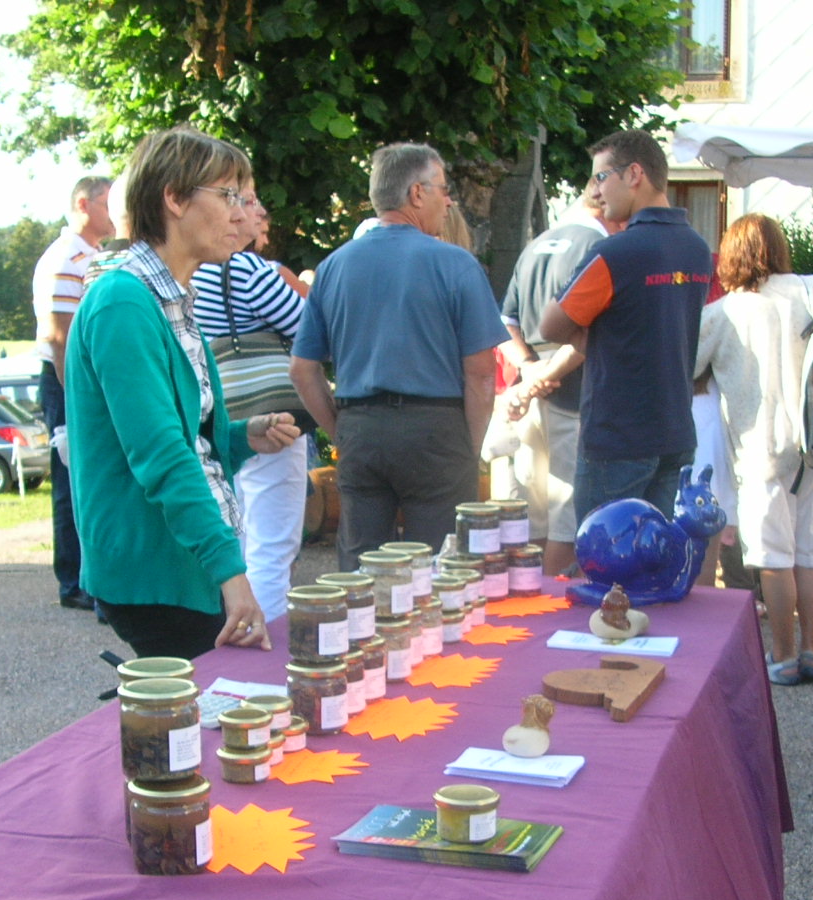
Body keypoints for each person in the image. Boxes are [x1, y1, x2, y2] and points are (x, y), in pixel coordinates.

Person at [65, 127, 300, 659]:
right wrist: (230, 572)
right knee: (198, 725)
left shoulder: (170, 294)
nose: (243, 214)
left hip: (182, 561)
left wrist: (241, 437)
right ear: (174, 198)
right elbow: (161, 455)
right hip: (155, 571)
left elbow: (185, 432)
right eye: (230, 196)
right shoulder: (123, 302)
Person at [289, 143, 507, 570]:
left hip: (360, 426)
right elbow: (481, 376)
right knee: (442, 570)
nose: (448, 201)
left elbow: (302, 369)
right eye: (443, 189)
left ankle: (356, 638)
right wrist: (470, 447)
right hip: (436, 430)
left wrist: (340, 430)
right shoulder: (456, 264)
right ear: (416, 193)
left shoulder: (333, 266)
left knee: (360, 571)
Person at [694, 215, 813, 685]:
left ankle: (782, 656)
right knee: (812, 551)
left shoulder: (724, 313)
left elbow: (689, 367)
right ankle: (811, 648)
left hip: (762, 448)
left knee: (774, 556)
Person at [538, 129, 711, 523]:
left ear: (634, 174)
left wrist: (596, 331)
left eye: (601, 177)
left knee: (605, 559)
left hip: (618, 435)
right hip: (675, 431)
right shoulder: (697, 249)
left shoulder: (616, 252)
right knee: (656, 558)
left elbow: (550, 325)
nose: (596, 191)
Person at [192, 186, 309, 624]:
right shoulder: (247, 269)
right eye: (248, 200)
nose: (261, 211)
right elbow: (311, 328)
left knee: (239, 531)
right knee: (273, 541)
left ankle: (238, 629)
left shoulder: (194, 273)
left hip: (225, 407)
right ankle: (266, 644)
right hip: (269, 414)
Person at [499, 193, 626, 573]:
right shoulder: (600, 249)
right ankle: (551, 605)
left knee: (531, 513)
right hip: (575, 395)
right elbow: (593, 334)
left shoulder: (535, 245)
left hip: (530, 394)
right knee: (567, 517)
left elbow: (504, 321)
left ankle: (526, 597)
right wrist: (545, 375)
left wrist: (528, 370)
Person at [32, 176, 114, 612]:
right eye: (106, 202)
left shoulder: (91, 255)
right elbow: (58, 335)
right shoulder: (68, 257)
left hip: (78, 378)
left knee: (87, 476)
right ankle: (75, 581)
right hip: (68, 379)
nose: (113, 211)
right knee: (73, 478)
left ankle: (87, 577)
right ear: (82, 204)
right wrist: (77, 393)